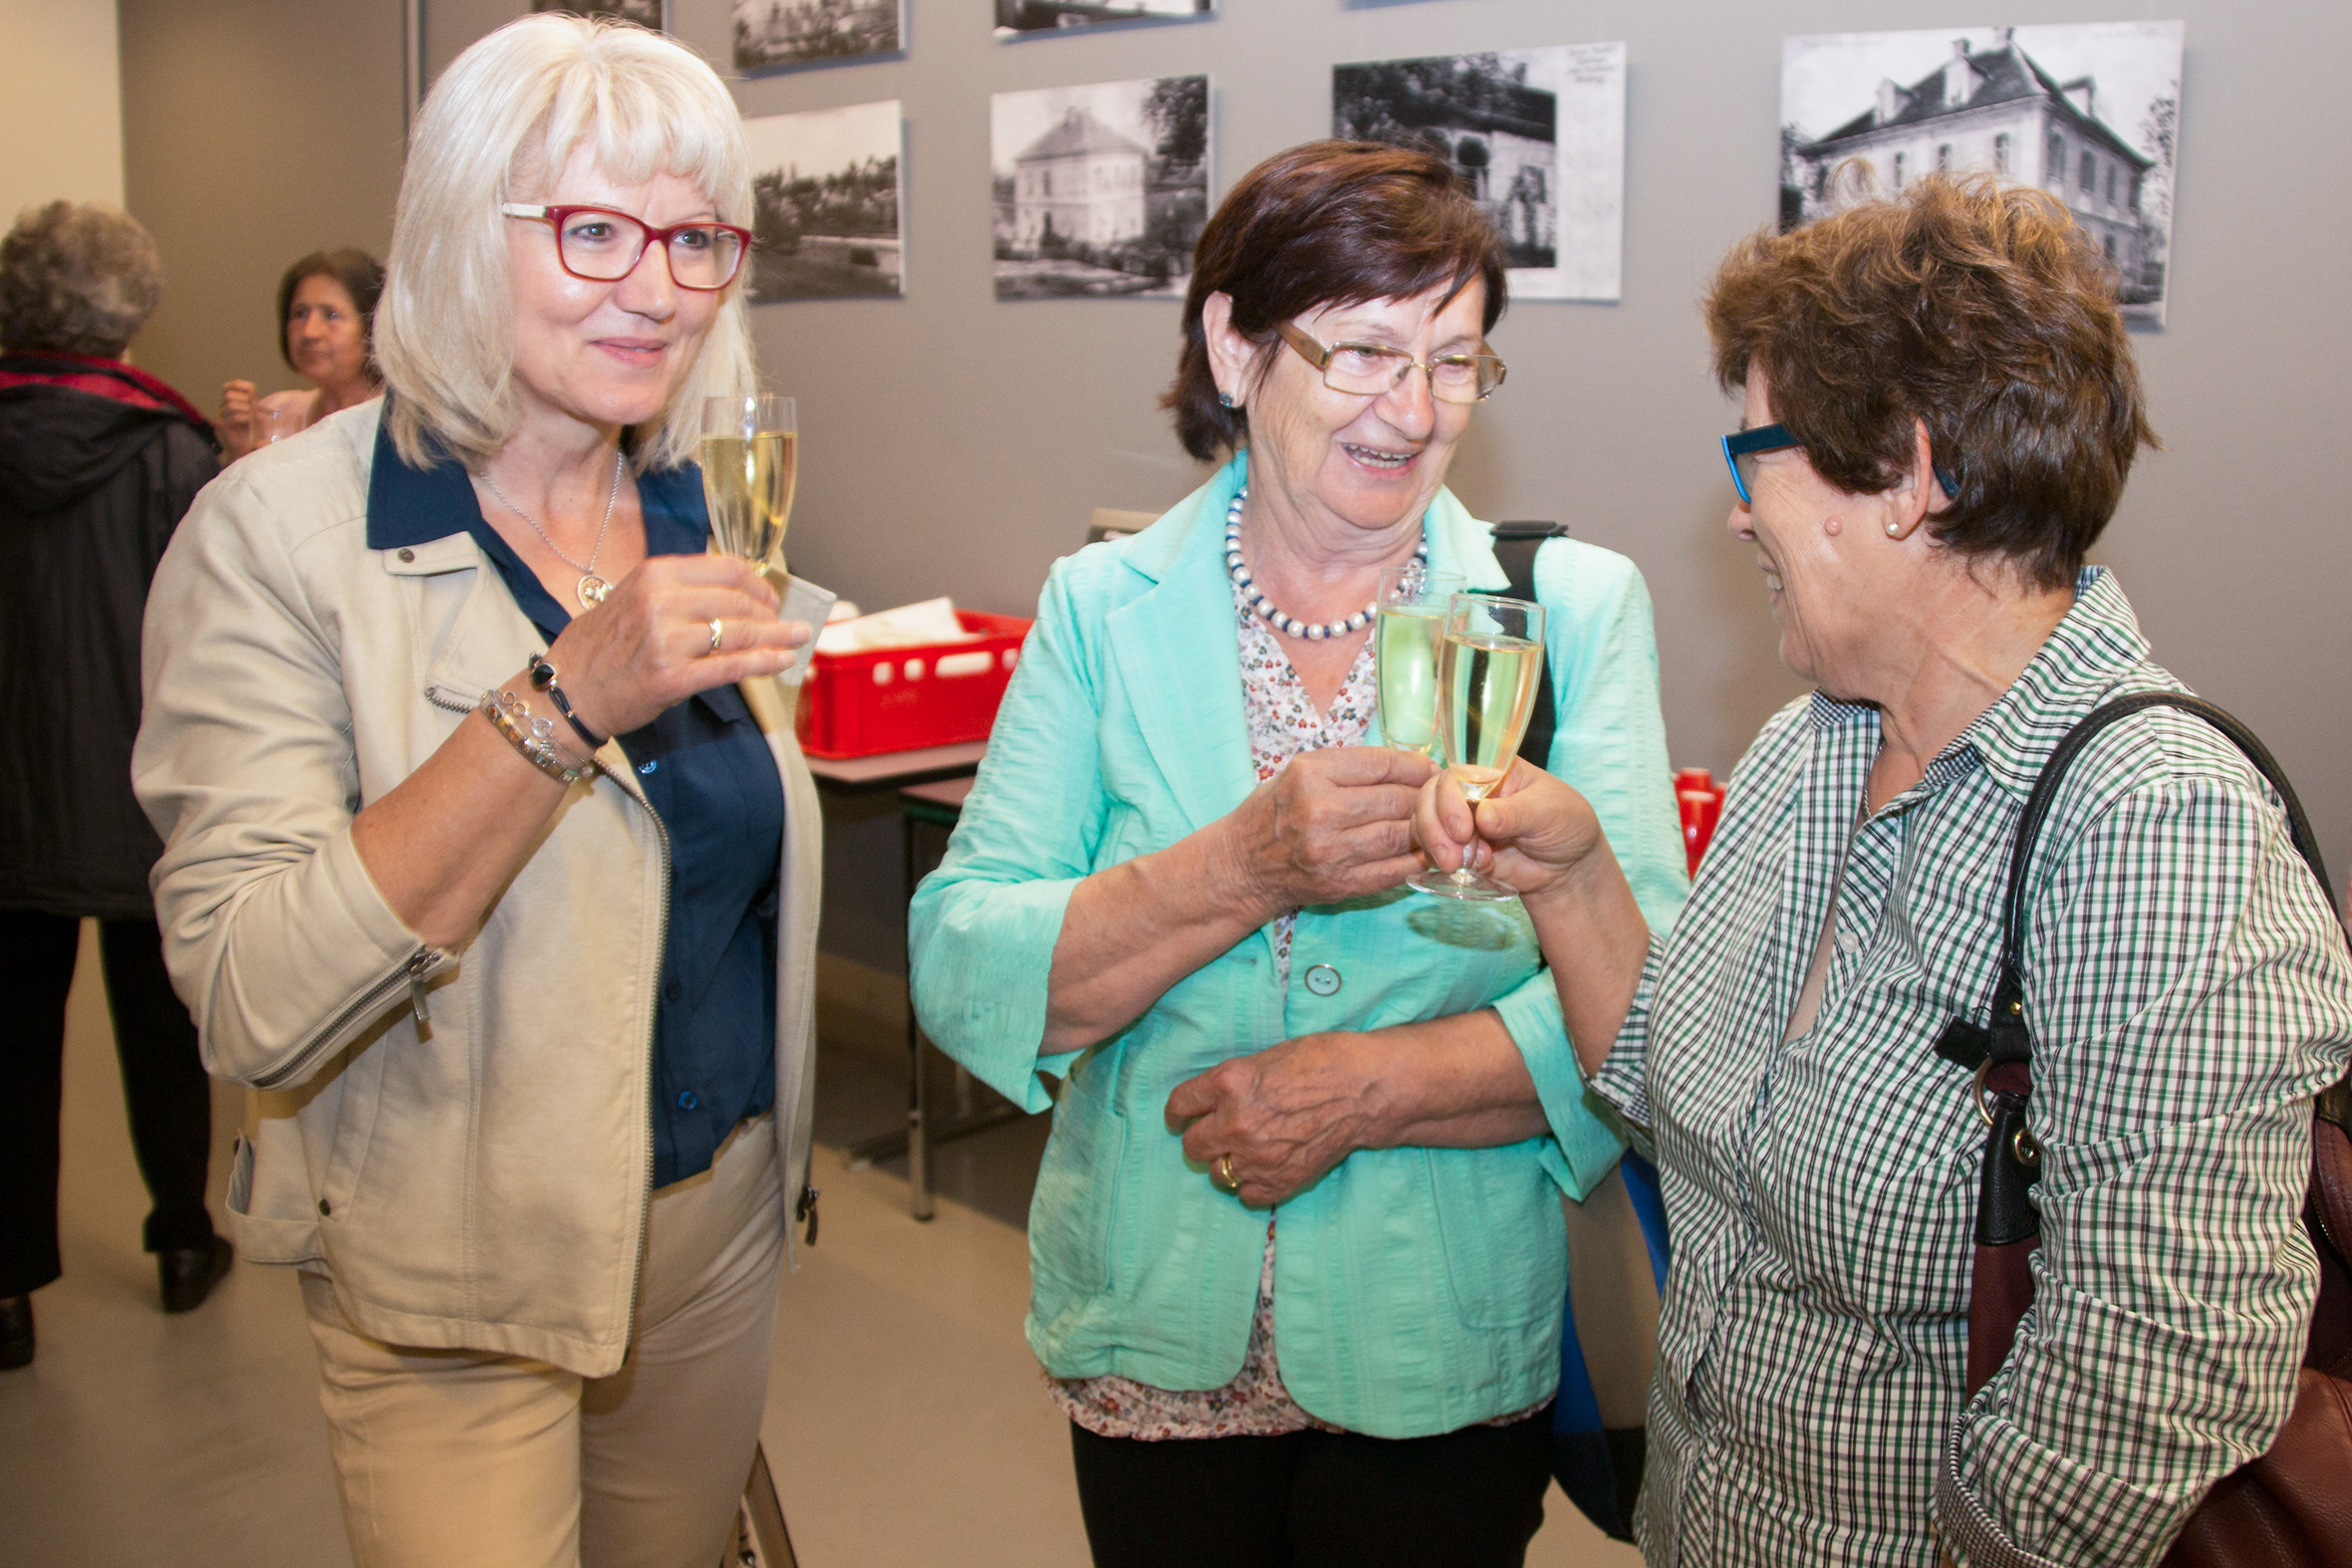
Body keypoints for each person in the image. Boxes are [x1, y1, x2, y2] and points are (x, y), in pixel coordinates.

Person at [1413, 174, 2352, 1567]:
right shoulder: (1810, 749)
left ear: (1912, 476)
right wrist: (1573, 880)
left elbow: (2153, 1375)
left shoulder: (2158, 827)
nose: (1737, 514)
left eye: (1754, 454)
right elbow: (1685, 1112)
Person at [910, 140, 1687, 1568]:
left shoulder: (1569, 611)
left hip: (1441, 1343)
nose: (1416, 410)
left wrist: (1366, 1087)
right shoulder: (1101, 606)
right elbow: (965, 965)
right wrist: (1244, 866)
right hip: (1152, 1329)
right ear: (1235, 345)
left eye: (1454, 362)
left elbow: (1651, 1024)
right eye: (1367, 353)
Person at [132, 18, 824, 1566]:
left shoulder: (700, 504)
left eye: (695, 240)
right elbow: (248, 993)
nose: (657, 289)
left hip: (712, 1231)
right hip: (452, 1262)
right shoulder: (276, 539)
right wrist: (562, 701)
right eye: (593, 231)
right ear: (457, 231)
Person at [0, 200, 229, 1370]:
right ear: (130, 309)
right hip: (144, 795)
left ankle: (4, 1289)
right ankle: (183, 1236)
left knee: (10, 1045)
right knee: (164, 1026)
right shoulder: (171, 452)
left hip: (9, 801)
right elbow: (210, 643)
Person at [214, 247, 385, 460]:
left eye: (331, 315)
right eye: (300, 313)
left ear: (372, 326)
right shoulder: (273, 416)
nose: (309, 332)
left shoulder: (397, 426)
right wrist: (240, 452)